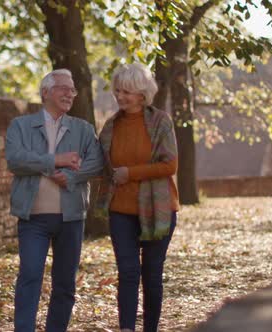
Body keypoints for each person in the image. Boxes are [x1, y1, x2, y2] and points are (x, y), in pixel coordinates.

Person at [5, 69, 104, 331]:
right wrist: (55, 161)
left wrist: (72, 178)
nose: (70, 93)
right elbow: (15, 160)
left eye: (72, 90)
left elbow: (96, 163)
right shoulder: (21, 126)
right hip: (33, 218)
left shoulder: (83, 129)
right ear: (45, 91)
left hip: (71, 218)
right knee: (30, 276)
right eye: (63, 87)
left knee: (65, 284)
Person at [98, 63, 179, 332]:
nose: (120, 97)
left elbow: (170, 166)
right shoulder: (111, 126)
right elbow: (101, 165)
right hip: (121, 210)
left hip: (159, 208)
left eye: (127, 92)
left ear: (143, 93)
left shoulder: (161, 122)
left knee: (152, 275)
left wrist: (130, 173)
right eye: (117, 91)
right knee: (128, 273)